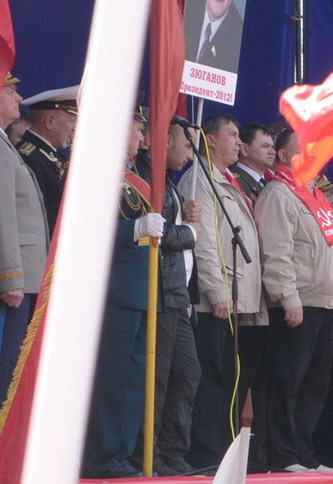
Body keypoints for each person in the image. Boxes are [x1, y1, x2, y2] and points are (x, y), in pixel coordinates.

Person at [256, 126, 333, 473]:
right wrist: (288, 296)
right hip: (300, 304)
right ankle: (283, 455)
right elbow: (277, 252)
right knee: (288, 383)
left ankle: (305, 453)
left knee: (314, 386)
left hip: (327, 303)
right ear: (282, 156)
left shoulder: (316, 194)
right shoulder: (279, 195)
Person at [177, 113, 268, 468]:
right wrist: (216, 292)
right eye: (232, 134)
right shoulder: (200, 179)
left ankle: (221, 451)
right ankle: (206, 453)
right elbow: (206, 243)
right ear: (210, 139)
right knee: (213, 379)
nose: (239, 142)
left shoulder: (225, 179)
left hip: (236, 295)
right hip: (214, 301)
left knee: (229, 379)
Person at [82, 109, 164, 479]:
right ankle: (101, 455)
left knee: (134, 381)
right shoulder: (95, 170)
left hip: (142, 288)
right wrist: (132, 231)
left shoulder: (134, 177)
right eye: (138, 129)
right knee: (113, 380)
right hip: (113, 289)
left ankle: (123, 452)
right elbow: (87, 231)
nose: (143, 137)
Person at [147, 120, 202, 476]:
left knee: (187, 373)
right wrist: (190, 231)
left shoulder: (170, 183)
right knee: (160, 376)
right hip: (161, 293)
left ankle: (172, 452)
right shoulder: (150, 178)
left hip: (178, 294)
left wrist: (187, 214)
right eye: (187, 144)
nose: (190, 152)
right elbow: (156, 232)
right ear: (165, 141)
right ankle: (148, 453)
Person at [0, 72, 48, 404]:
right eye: (11, 90)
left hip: (24, 274)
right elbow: (4, 213)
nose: (19, 98)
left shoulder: (6, 144)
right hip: (14, 279)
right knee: (8, 365)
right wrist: (11, 275)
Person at [16, 85, 78, 234]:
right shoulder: (28, 157)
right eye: (72, 121)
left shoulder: (54, 155)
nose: (76, 128)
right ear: (50, 121)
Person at [229, 122, 274, 204]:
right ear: (245, 149)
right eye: (265, 146)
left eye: (272, 147)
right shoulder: (233, 181)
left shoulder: (270, 181)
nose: (272, 152)